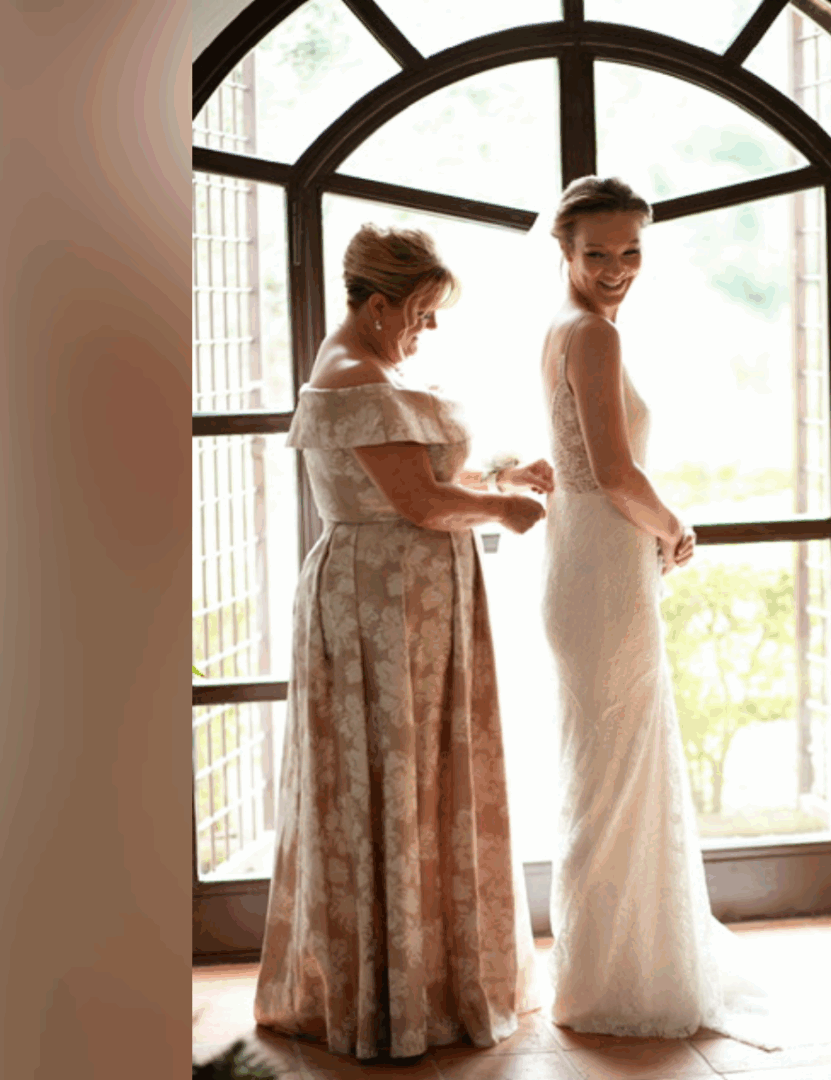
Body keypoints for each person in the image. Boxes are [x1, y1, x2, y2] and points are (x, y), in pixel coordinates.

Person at [536, 177, 831, 1049]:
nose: (618, 269)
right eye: (599, 253)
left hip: (585, 567)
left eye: (633, 252)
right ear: (563, 248)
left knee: (610, 775)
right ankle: (615, 981)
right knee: (614, 777)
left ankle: (607, 971)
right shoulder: (588, 334)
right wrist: (675, 526)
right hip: (601, 570)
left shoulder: (566, 328)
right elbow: (615, 473)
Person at [256, 223, 555, 1061]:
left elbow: (419, 483)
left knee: (420, 772)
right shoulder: (352, 376)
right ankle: (393, 991)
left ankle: (421, 974)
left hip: (410, 599)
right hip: (380, 603)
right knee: (390, 774)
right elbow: (417, 504)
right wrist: (503, 512)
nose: (427, 329)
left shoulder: (373, 366)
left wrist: (498, 479)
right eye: (419, 313)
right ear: (378, 302)